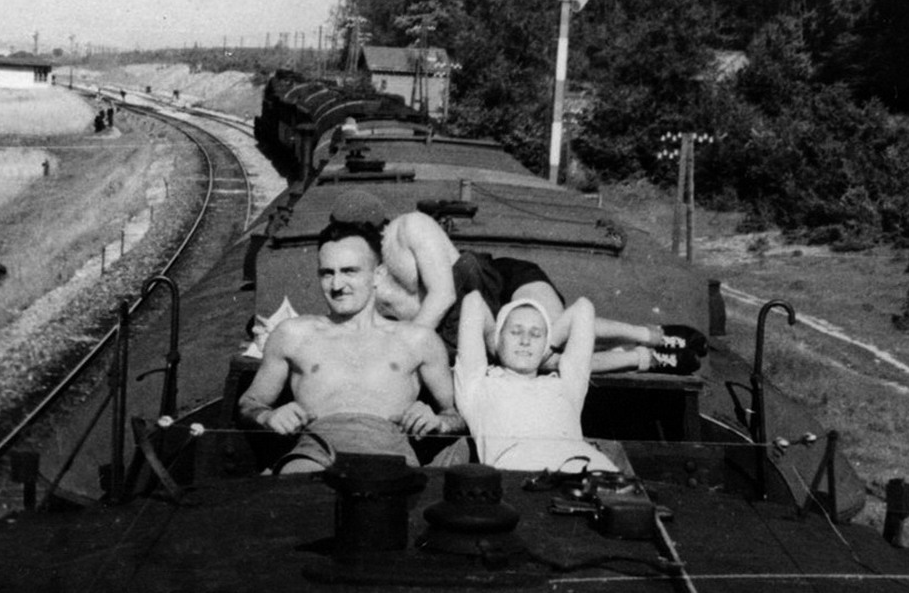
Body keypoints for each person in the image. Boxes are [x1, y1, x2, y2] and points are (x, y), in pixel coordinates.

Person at [330, 189, 705, 374]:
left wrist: (405, 348)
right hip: (474, 316)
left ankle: (654, 335)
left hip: (500, 282)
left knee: (555, 329)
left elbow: (442, 294)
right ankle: (646, 359)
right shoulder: (364, 275)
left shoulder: (409, 228)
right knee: (545, 359)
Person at [238, 220, 464, 473]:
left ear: (378, 275)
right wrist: (268, 416)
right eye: (327, 273)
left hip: (391, 454)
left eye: (349, 271)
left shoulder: (418, 340)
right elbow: (250, 402)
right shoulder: (293, 334)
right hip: (315, 451)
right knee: (298, 489)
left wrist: (438, 422)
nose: (336, 285)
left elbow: (456, 414)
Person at [454, 291, 617, 471]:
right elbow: (473, 302)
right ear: (499, 338)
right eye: (515, 332)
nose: (525, 341)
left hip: (588, 468)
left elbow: (583, 308)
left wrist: (545, 348)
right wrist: (498, 346)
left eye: (536, 335)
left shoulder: (566, 386)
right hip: (522, 474)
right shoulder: (478, 386)